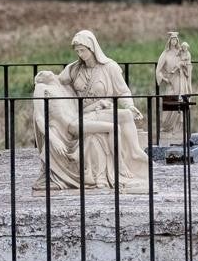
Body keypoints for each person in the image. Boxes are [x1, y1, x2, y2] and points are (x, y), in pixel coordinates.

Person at [57, 30, 150, 191]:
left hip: (102, 111)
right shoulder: (74, 69)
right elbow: (56, 83)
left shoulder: (110, 67)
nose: (81, 54)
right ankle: (121, 165)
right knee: (108, 128)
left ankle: (134, 153)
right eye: (78, 51)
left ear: (92, 48)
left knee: (126, 114)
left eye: (83, 50)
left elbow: (123, 91)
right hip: (85, 114)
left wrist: (129, 105)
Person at [31, 70, 81, 191]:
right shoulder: (41, 88)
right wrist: (53, 139)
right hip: (59, 129)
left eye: (43, 72)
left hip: (76, 124)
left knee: (110, 126)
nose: (41, 73)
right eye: (39, 75)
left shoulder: (64, 84)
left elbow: (73, 67)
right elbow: (39, 117)